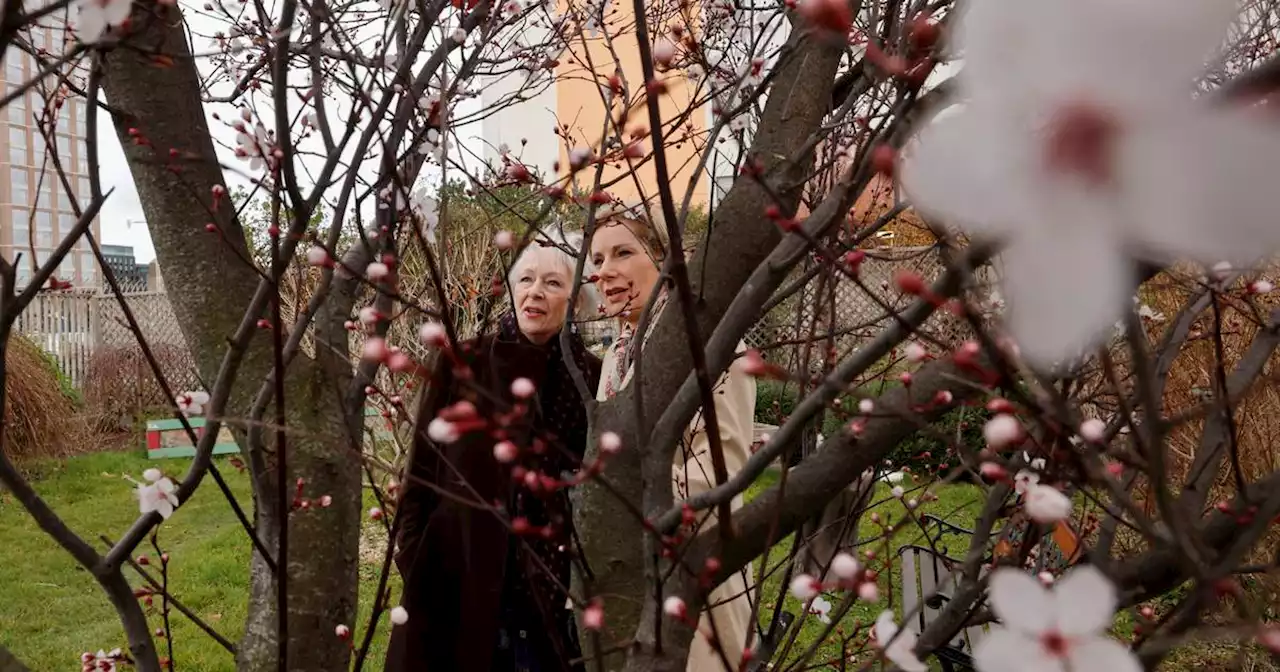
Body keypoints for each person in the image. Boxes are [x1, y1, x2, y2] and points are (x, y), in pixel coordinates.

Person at [386, 232, 603, 672]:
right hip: (457, 576)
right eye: (525, 280)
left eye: (552, 283)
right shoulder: (463, 363)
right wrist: (414, 558)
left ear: (577, 302)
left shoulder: (593, 379)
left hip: (550, 591)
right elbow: (421, 471)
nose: (535, 292)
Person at [588, 207, 757, 672]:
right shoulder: (613, 359)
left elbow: (719, 476)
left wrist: (622, 509)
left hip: (690, 581)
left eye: (623, 253)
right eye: (598, 261)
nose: (606, 272)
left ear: (665, 260)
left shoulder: (713, 347)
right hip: (624, 584)